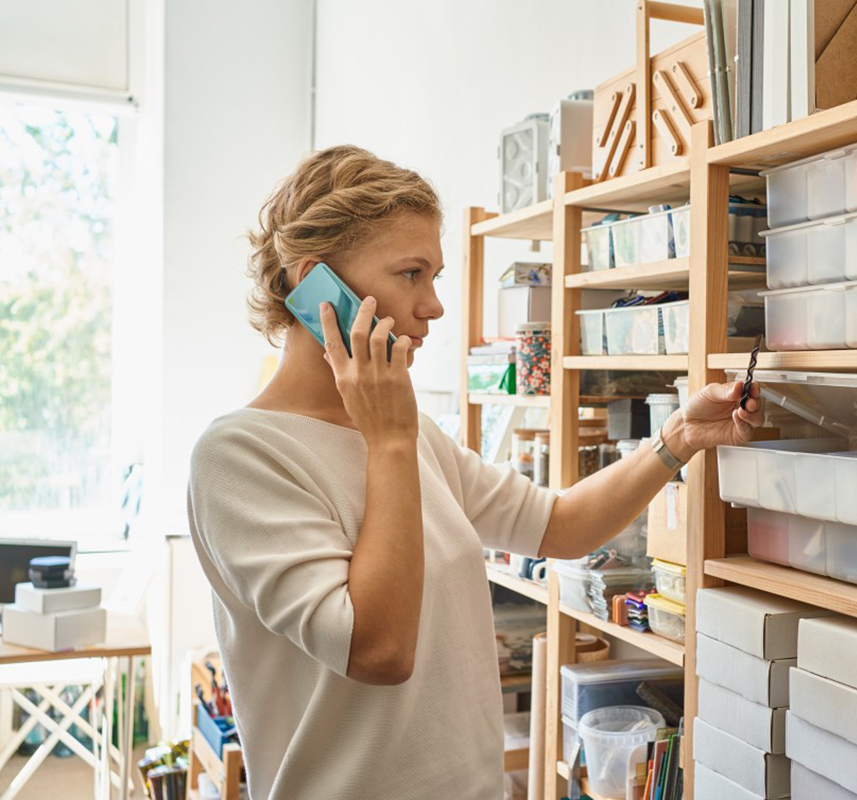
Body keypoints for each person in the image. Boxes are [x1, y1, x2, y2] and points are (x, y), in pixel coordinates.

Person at [186, 145, 764, 799]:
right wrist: (390, 443)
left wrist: (680, 436)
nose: (433, 306)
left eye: (434, 276)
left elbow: (561, 526)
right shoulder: (240, 458)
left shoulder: (411, 439)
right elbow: (377, 651)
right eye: (411, 273)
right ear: (317, 284)